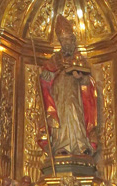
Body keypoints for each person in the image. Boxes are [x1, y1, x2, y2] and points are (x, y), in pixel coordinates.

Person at [40, 15, 97, 156]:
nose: (66, 44)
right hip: (59, 94)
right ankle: (61, 145)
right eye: (63, 40)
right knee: (62, 116)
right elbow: (46, 78)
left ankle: (81, 145)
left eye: (68, 40)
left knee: (75, 113)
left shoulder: (79, 59)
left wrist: (81, 78)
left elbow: (88, 83)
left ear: (73, 40)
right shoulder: (55, 59)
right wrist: (47, 76)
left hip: (75, 93)